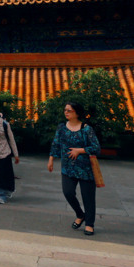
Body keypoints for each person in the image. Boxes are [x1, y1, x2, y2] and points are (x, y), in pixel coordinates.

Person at [48, 101, 101, 236]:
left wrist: (80, 150)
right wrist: (51, 159)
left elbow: (96, 148)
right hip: (68, 167)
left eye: (69, 110)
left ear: (77, 113)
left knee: (88, 197)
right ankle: (80, 214)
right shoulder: (62, 127)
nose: (66, 112)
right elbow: (56, 144)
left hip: (85, 168)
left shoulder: (86, 129)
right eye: (65, 110)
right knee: (68, 192)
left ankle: (89, 224)